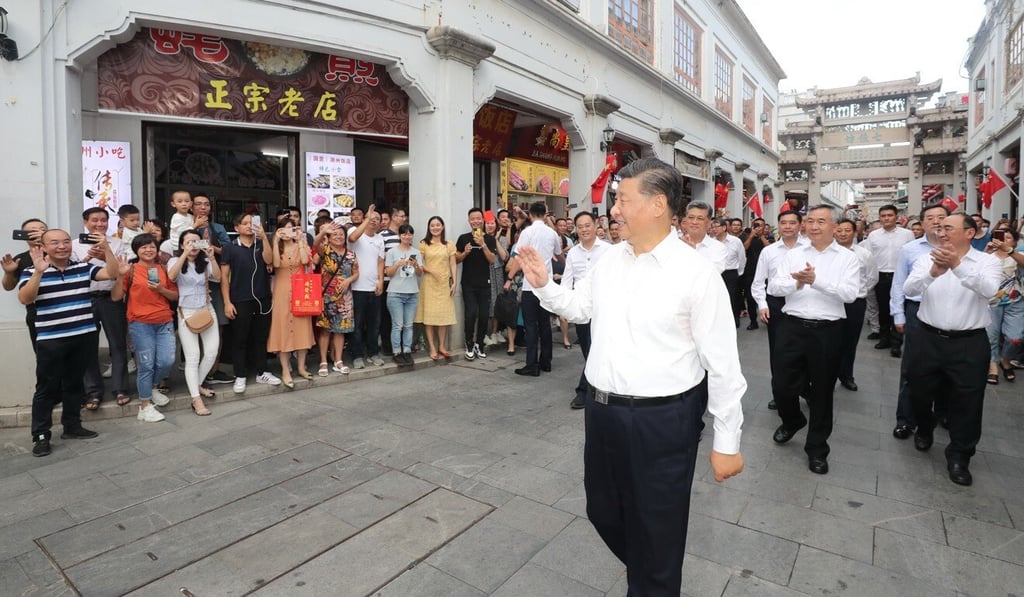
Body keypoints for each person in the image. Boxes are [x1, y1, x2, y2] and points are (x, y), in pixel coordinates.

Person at [517, 157, 745, 596]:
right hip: (602, 415)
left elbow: (723, 364)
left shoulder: (696, 273)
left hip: (663, 421)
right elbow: (581, 308)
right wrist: (545, 284)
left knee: (658, 527)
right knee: (603, 511)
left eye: (622, 199)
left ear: (658, 204)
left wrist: (727, 441)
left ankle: (652, 580)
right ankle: (648, 570)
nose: (614, 209)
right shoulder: (610, 261)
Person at [905, 214, 1001, 486]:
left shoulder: (988, 262)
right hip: (927, 338)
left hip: (969, 342)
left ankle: (959, 455)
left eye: (949, 228)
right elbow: (909, 288)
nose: (942, 232)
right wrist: (933, 273)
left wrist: (957, 266)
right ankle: (925, 427)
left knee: (968, 401)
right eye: (940, 228)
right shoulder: (928, 258)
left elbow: (989, 290)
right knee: (919, 391)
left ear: (970, 233)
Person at [768, 205, 860, 475]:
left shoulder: (847, 258)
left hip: (828, 331)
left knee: (822, 392)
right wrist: (797, 283)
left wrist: (815, 281)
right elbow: (774, 287)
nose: (815, 226)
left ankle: (817, 449)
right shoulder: (793, 255)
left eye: (822, 221)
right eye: (810, 221)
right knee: (783, 385)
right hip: (791, 326)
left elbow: (849, 294)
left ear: (834, 227)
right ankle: (793, 420)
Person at [19, 229, 118, 456]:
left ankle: (72, 425)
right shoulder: (32, 271)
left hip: (83, 335)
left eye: (65, 242)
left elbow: (112, 273)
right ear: (44, 247)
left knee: (75, 384)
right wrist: (38, 273)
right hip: (51, 339)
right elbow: (25, 298)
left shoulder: (83, 268)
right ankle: (41, 435)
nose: (62, 246)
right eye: (55, 243)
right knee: (46, 388)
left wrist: (106, 249)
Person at [889, 203, 950, 439]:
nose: (936, 222)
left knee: (947, 367)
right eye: (931, 218)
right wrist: (898, 314)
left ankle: (944, 412)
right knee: (912, 369)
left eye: (941, 217)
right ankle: (906, 419)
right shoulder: (911, 249)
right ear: (922, 223)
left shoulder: (960, 250)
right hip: (917, 310)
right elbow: (899, 283)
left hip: (950, 312)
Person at [112, 234, 179, 423]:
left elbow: (175, 296)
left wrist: (160, 290)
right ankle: (145, 406)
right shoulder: (131, 270)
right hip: (140, 324)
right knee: (146, 365)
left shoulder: (164, 269)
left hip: (164, 321)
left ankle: (153, 387)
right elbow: (116, 297)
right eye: (143, 247)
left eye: (152, 246)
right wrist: (120, 275)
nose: (148, 250)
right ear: (136, 250)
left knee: (167, 361)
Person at [72, 207, 131, 411]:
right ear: (85, 222)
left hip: (110, 298)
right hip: (84, 299)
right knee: (88, 346)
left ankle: (121, 388)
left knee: (117, 344)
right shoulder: (73, 245)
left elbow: (119, 272)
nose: (100, 224)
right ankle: (93, 391)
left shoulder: (117, 243)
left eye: (103, 220)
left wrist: (106, 251)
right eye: (95, 220)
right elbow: (72, 272)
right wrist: (87, 258)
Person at [220, 213, 281, 394]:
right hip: (240, 299)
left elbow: (269, 261)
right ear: (236, 227)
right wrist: (227, 302)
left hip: (262, 297)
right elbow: (224, 277)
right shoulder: (230, 248)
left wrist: (263, 237)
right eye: (244, 224)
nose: (249, 226)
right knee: (240, 339)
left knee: (260, 337)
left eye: (251, 223)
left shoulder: (261, 244)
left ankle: (262, 371)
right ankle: (240, 374)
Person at [750, 210, 803, 410]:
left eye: (792, 223)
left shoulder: (809, 249)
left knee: (801, 352)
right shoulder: (769, 251)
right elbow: (757, 283)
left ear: (800, 225)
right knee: (778, 353)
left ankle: (801, 389)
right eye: (783, 223)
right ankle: (780, 394)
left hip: (803, 303)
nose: (787, 226)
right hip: (776, 305)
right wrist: (762, 305)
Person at [562, 211, 610, 409]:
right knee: (588, 350)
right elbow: (567, 279)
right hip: (582, 308)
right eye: (580, 226)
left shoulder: (608, 250)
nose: (583, 230)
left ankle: (584, 391)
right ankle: (595, 386)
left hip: (603, 308)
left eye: (587, 225)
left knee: (595, 349)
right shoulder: (573, 253)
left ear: (596, 225)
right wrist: (564, 306)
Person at [167, 230, 219, 415]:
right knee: (193, 356)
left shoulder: (204, 262)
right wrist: (184, 254)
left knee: (212, 352)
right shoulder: (175, 261)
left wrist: (211, 258)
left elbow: (218, 277)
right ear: (181, 244)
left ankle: (196, 385)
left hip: (206, 308)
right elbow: (172, 277)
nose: (193, 246)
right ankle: (196, 399)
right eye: (189, 242)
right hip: (186, 312)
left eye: (196, 242)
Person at [511, 201, 561, 376]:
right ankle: (546, 362)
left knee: (531, 326)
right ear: (545, 214)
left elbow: (518, 256)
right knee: (544, 324)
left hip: (530, 285)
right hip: (546, 285)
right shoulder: (552, 233)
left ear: (530, 215)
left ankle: (532, 364)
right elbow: (558, 253)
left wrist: (510, 276)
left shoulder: (527, 232)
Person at [190, 194, 234, 386]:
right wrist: (193, 229)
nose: (203, 207)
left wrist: (211, 247)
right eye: (198, 204)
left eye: (206, 204)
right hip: (192, 286)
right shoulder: (183, 226)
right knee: (196, 327)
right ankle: (196, 371)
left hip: (215, 283)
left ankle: (213, 369)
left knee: (218, 327)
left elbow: (228, 251)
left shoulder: (218, 228)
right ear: (191, 207)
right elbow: (177, 247)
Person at [267, 219, 315, 388]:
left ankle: (301, 367)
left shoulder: (301, 244)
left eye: (291, 228)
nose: (289, 231)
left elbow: (304, 260)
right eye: (285, 228)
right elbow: (276, 264)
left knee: (302, 328)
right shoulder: (277, 247)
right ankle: (285, 370)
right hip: (281, 291)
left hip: (301, 289)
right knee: (283, 329)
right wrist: (275, 241)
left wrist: (301, 241)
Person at [862, 205, 914, 356]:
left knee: (898, 309)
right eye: (883, 215)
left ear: (896, 217)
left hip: (901, 276)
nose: (886, 218)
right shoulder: (874, 236)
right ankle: (884, 338)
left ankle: (896, 342)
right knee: (883, 310)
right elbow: (869, 258)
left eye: (889, 215)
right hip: (881, 276)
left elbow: (910, 256)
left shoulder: (907, 234)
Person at [834, 218, 878, 392]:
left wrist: (858, 292)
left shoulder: (863, 254)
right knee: (829, 341)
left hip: (854, 303)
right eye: (840, 230)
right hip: (832, 302)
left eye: (847, 230)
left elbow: (872, 277)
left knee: (850, 341)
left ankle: (846, 375)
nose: (843, 233)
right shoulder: (830, 252)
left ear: (854, 233)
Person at [313, 222, 358, 376]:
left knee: (340, 331)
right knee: (326, 331)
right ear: (329, 238)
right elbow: (315, 243)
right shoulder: (325, 250)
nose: (339, 237)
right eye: (335, 234)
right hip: (327, 296)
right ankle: (323, 361)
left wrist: (348, 280)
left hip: (345, 298)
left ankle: (338, 360)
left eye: (341, 234)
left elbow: (356, 273)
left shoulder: (351, 254)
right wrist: (323, 232)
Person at [456, 207, 498, 360]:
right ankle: (469, 344)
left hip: (485, 284)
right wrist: (465, 253)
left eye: (478, 218)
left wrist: (483, 244)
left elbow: (492, 260)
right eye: (472, 218)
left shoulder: (490, 239)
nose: (475, 221)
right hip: (468, 284)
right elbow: (456, 259)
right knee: (471, 314)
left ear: (482, 220)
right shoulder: (463, 238)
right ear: (469, 221)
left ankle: (479, 344)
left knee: (484, 315)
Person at [348, 205, 386, 369]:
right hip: (357, 287)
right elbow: (353, 239)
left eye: (377, 219)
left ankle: (373, 353)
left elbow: (380, 261)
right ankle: (357, 355)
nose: (374, 220)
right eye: (371, 218)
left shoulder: (379, 239)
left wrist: (381, 281)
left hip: (374, 287)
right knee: (356, 324)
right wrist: (366, 218)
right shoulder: (354, 232)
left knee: (374, 323)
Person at [415, 216, 458, 360]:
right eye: (432, 225)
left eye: (438, 225)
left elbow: (453, 264)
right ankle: (432, 347)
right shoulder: (424, 244)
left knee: (443, 317)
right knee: (429, 317)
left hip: (444, 283)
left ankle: (442, 346)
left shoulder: (449, 244)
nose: (435, 227)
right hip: (429, 283)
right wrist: (432, 271)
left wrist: (454, 282)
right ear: (429, 228)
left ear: (443, 227)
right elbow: (420, 264)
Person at [984, 228, 1023, 384]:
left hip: (1016, 301)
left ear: (1014, 241)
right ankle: (992, 365)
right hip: (991, 302)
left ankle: (1005, 359)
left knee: (1016, 338)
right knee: (990, 337)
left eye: (1008, 238)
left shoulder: (1018, 255)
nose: (1003, 240)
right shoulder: (988, 256)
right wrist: (986, 252)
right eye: (1000, 237)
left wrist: (1010, 251)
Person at [2, 218, 48, 351]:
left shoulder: (60, 252)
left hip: (66, 309)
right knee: (43, 354)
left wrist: (47, 242)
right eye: (32, 231)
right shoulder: (20, 258)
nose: (38, 233)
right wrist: (9, 273)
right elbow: (8, 286)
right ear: (24, 236)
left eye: (42, 230)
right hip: (36, 311)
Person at [384, 224, 422, 365]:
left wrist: (416, 265)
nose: (407, 236)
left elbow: (420, 273)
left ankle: (407, 351)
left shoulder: (416, 252)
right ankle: (396, 352)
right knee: (397, 325)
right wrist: (398, 264)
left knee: (408, 325)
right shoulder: (392, 252)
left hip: (412, 293)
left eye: (409, 234)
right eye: (404, 234)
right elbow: (388, 272)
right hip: (395, 293)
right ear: (400, 236)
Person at [714, 217, 746, 327]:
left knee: (732, 298)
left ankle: (734, 320)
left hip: (731, 273)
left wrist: (739, 273)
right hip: (716, 274)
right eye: (712, 227)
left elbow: (741, 258)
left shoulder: (735, 241)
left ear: (724, 228)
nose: (714, 229)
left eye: (716, 227)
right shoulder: (712, 242)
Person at [484, 211, 510, 346]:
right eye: (487, 223)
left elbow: (505, 257)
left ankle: (494, 332)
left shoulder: (502, 239)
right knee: (487, 303)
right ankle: (485, 334)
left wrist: (496, 239)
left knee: (497, 302)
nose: (490, 226)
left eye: (492, 223)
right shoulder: (480, 238)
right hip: (484, 272)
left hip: (498, 272)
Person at [679, 201, 727, 273]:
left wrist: (692, 252)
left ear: (709, 223)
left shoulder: (718, 248)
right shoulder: (674, 243)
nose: (694, 222)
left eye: (700, 218)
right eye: (691, 217)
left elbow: (712, 273)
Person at [741, 218, 770, 330]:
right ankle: (753, 321)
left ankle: (767, 317)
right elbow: (744, 248)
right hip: (750, 271)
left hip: (766, 272)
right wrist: (752, 235)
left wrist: (762, 236)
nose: (759, 228)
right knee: (750, 297)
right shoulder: (748, 237)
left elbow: (769, 248)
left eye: (761, 226)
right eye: (756, 225)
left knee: (767, 296)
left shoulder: (769, 238)